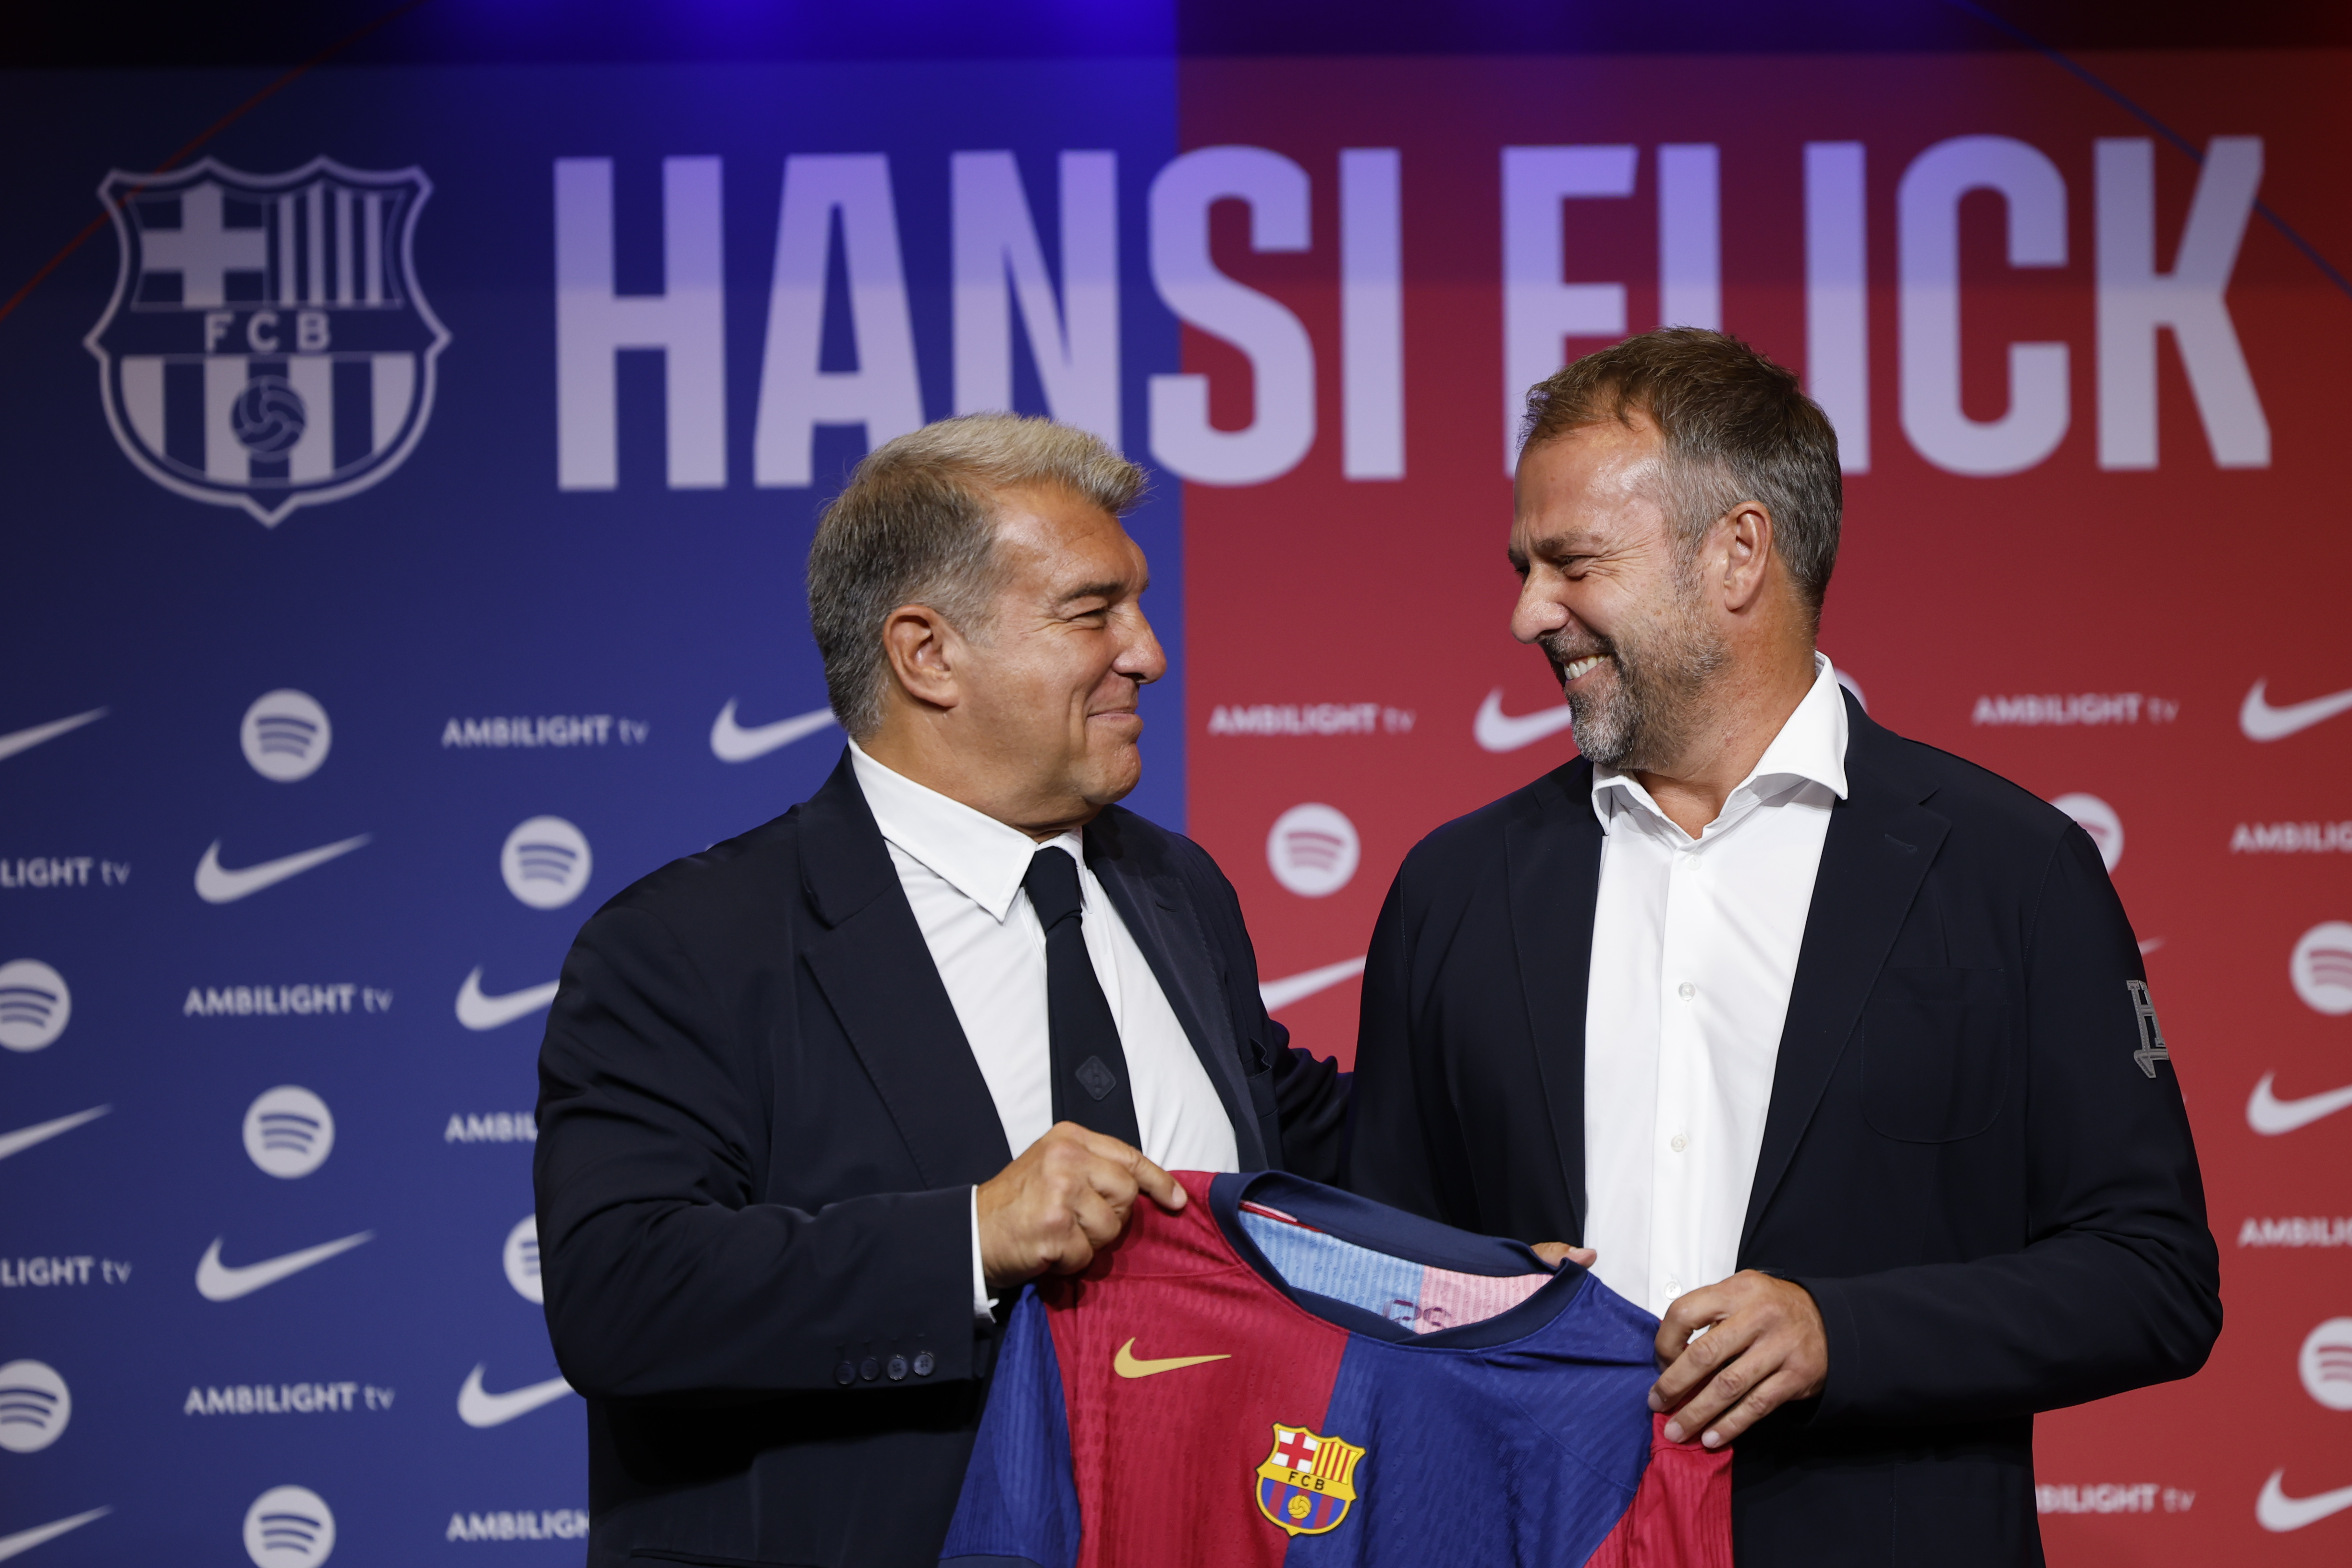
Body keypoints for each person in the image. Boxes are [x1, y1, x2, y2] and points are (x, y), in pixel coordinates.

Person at [1343, 328, 2219, 1565]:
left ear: (1738, 553)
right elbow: (1372, 1273)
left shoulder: (2011, 869)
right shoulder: (1457, 886)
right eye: (1524, 565)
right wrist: (1477, 1298)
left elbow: (2152, 1278)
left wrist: (1839, 1333)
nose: (1527, 611)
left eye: (1573, 562)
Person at [533, 414, 1346, 1568]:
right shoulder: (685, 944)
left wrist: (1512, 1239)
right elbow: (623, 1294)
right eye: (1090, 611)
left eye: (1138, 605)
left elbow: (1298, 1138)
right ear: (927, 655)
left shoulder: (1178, 888)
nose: (1148, 653)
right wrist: (973, 1238)